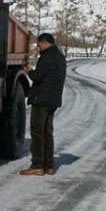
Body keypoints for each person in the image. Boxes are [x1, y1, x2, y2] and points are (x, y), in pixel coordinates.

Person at [19, 33, 66, 176]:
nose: (38, 48)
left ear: (45, 43)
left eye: (39, 45)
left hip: (41, 100)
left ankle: (37, 165)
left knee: (37, 133)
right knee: (47, 133)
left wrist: (29, 71)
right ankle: (49, 166)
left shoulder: (46, 57)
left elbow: (37, 77)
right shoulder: (60, 56)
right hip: (53, 100)